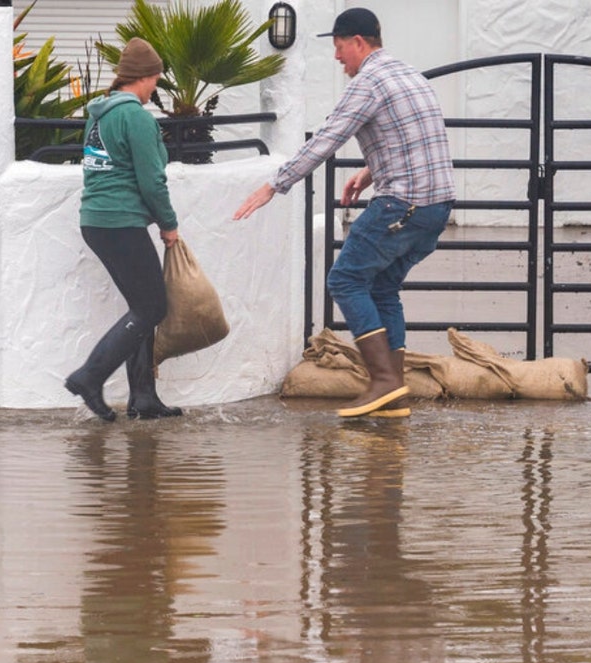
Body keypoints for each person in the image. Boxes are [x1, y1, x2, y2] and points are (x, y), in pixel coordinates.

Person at [232, 7, 455, 418]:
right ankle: (395, 391)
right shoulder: (408, 74)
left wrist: (273, 185)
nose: (337, 59)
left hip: (402, 204)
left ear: (358, 42)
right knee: (382, 287)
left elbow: (326, 140)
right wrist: (370, 173)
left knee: (346, 278)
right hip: (436, 207)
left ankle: (383, 380)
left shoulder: (368, 81)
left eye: (339, 48)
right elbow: (416, 137)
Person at [64, 37, 183, 423]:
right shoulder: (134, 116)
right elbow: (152, 180)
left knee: (142, 308)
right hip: (120, 222)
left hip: (98, 221)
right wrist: (169, 224)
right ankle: (90, 376)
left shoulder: (99, 115)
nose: (156, 88)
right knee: (152, 307)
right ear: (143, 77)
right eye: (155, 80)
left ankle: (144, 398)